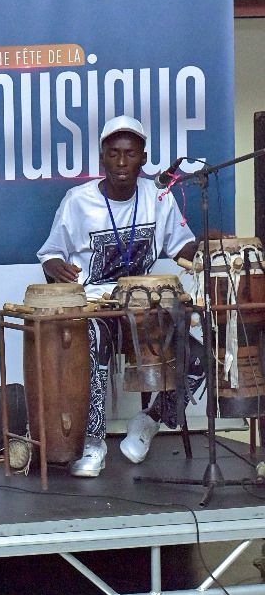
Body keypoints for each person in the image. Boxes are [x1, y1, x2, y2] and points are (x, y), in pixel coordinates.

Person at [37, 115, 200, 477]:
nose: (121, 163)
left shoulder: (159, 197)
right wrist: (53, 266)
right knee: (91, 340)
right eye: (113, 154)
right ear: (102, 158)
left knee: (199, 351)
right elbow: (50, 252)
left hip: (146, 306)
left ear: (143, 158)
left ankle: (151, 419)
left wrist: (204, 247)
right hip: (99, 306)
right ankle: (93, 444)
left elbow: (181, 249)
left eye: (129, 154)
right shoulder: (78, 201)